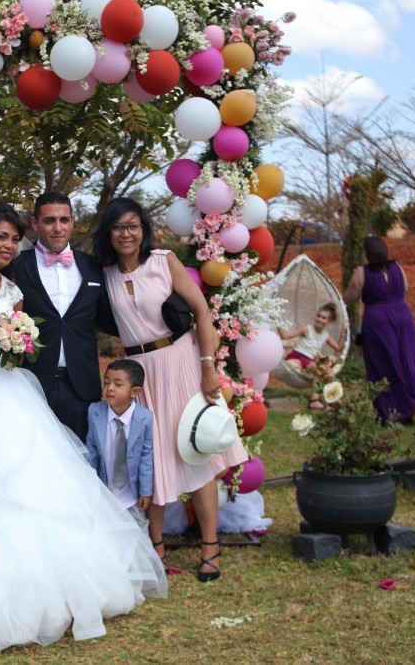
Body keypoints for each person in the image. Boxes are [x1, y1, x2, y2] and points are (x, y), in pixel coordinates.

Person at [0, 200, 166, 656]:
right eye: (3, 237)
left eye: (15, 239)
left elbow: (19, 339)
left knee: (34, 483)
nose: (10, 245)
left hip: (8, 389)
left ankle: (42, 586)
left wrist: (14, 343)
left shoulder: (13, 289)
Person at [93, 197, 247, 583]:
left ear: (143, 229)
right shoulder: (105, 274)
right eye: (118, 227)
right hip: (138, 373)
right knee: (151, 457)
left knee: (196, 454)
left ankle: (211, 544)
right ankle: (154, 547)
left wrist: (208, 367)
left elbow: (201, 311)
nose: (126, 233)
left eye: (133, 225)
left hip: (178, 362)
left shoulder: (163, 260)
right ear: (108, 233)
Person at [10, 191, 115, 440]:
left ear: (72, 221)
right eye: (49, 221)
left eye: (64, 220)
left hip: (82, 386)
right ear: (34, 223)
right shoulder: (15, 267)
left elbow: (110, 318)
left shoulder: (93, 266)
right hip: (32, 385)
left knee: (82, 463)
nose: (58, 228)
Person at [344, 235, 415, 421]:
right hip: (402, 315)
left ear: (367, 253)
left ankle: (392, 410)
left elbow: (351, 296)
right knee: (409, 360)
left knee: (383, 363)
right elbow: (404, 287)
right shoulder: (397, 267)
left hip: (377, 320)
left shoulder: (361, 272)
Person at [86, 359, 154, 534]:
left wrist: (146, 491)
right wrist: (89, 484)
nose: (110, 388)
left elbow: (147, 456)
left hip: (130, 493)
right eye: (107, 382)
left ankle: (144, 561)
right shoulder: (95, 412)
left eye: (118, 384)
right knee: (104, 529)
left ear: (135, 391)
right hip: (105, 488)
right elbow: (91, 449)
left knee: (138, 529)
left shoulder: (144, 418)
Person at [277, 302, 348, 409]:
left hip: (310, 360)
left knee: (332, 360)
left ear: (328, 321)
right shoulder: (307, 329)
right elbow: (285, 336)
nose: (319, 319)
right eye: (318, 316)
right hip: (297, 356)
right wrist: (277, 320)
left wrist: (343, 331)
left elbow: (338, 348)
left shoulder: (325, 335)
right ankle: (318, 400)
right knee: (323, 370)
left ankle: (329, 399)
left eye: (323, 318)